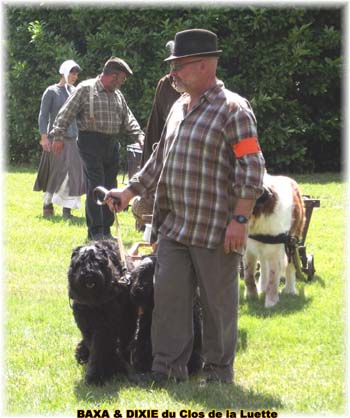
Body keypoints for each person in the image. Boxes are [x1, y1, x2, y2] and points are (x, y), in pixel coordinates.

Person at [105, 29, 265, 385]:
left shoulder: (234, 110)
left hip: (216, 229)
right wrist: (128, 192)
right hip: (174, 227)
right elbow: (159, 158)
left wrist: (240, 218)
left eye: (180, 66)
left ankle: (219, 373)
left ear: (205, 65)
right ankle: (166, 370)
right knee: (169, 301)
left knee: (217, 307)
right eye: (173, 66)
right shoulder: (178, 107)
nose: (173, 73)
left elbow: (252, 169)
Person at [51, 57, 145, 240]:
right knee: (96, 185)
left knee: (111, 186)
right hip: (90, 142)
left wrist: (140, 136)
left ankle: (107, 230)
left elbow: (129, 119)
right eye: (121, 79)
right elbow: (65, 113)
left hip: (111, 144)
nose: (122, 83)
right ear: (113, 76)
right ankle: (95, 231)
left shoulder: (117, 95)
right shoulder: (86, 88)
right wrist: (58, 136)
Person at [33, 59, 85, 219]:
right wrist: (44, 138)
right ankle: (47, 204)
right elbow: (43, 116)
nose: (74, 76)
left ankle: (67, 210)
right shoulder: (51, 91)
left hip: (73, 139)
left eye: (76, 73)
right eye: (72, 73)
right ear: (64, 72)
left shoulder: (75, 91)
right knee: (56, 173)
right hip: (56, 138)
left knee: (73, 174)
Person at [132, 73, 180, 231]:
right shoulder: (166, 84)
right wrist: (131, 192)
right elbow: (157, 123)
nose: (176, 72)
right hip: (166, 154)